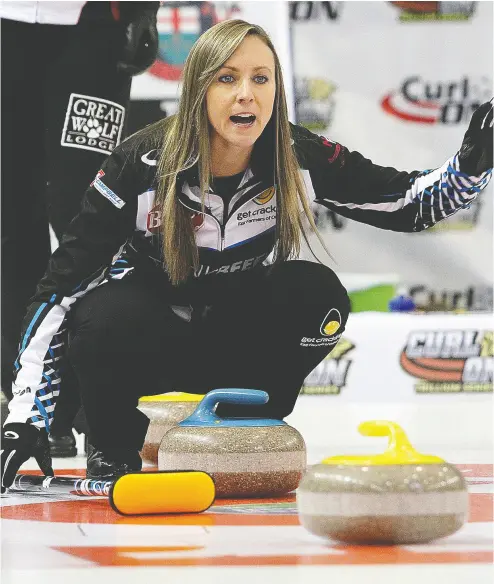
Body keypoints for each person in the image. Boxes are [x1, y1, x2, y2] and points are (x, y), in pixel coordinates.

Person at [1, 20, 492, 489]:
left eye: (261, 78)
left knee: (317, 294)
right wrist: (25, 417)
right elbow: (60, 292)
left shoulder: (298, 154)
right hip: (146, 335)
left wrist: (470, 167)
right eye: (227, 79)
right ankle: (109, 445)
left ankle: (248, 417)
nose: (246, 94)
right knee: (100, 315)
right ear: (198, 90)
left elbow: (406, 202)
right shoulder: (138, 165)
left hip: (230, 335)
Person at [1, 1, 160, 455]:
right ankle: (28, 400)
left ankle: (98, 398)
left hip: (92, 26)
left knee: (87, 209)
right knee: (11, 214)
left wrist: (144, 8)